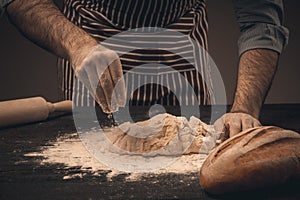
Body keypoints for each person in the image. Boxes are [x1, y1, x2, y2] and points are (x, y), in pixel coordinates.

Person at [1, 0, 289, 138]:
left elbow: (260, 19)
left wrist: (244, 110)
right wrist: (75, 44)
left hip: (182, 48)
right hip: (90, 43)